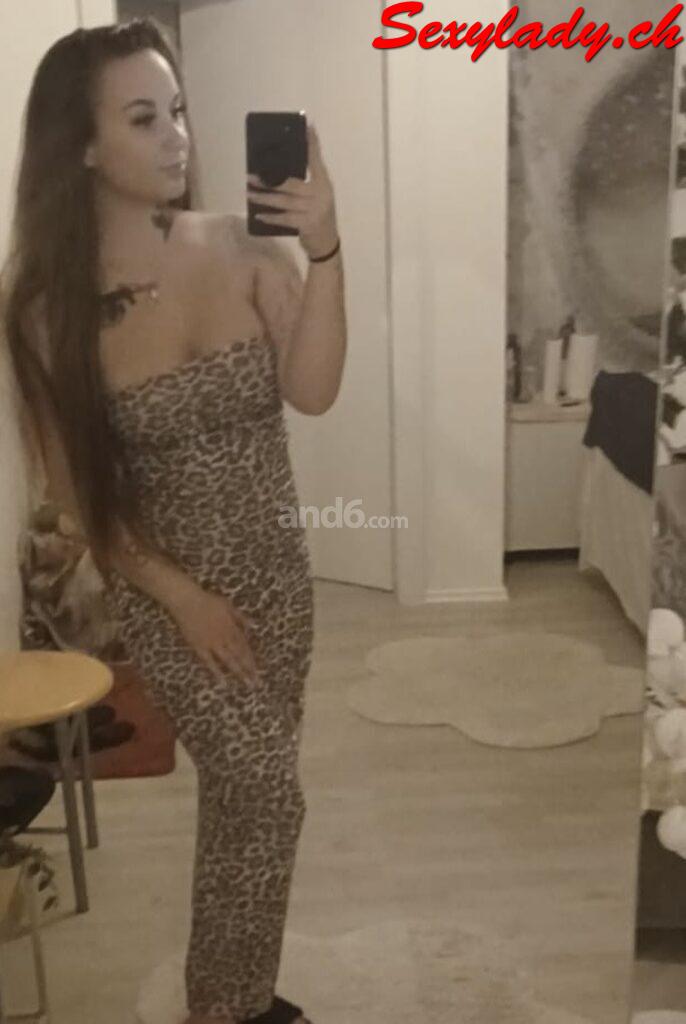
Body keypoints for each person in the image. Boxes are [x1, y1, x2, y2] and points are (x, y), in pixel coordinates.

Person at [2, 18, 346, 1024]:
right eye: (144, 118)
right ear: (82, 144)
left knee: (244, 804)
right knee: (268, 793)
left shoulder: (242, 247)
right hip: (166, 591)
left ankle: (231, 995)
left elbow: (314, 390)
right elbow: (75, 493)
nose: (177, 136)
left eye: (180, 112)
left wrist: (324, 246)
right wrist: (183, 597)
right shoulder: (41, 310)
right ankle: (225, 1008)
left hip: (277, 581)